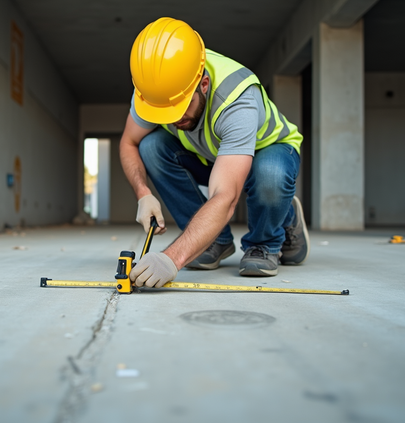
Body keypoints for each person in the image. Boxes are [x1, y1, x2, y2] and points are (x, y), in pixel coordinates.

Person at [120, 17, 309, 289]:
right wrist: (143, 193)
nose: (174, 120)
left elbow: (226, 196)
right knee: (151, 146)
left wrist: (172, 258)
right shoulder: (154, 90)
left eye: (181, 108)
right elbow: (129, 142)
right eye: (165, 113)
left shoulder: (237, 99)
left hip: (267, 150)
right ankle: (215, 241)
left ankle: (266, 241)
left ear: (204, 84)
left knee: (269, 176)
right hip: (209, 154)